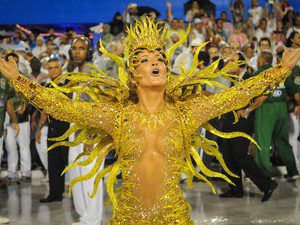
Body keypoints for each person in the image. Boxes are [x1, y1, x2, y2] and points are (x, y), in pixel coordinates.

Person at [0, 17, 299, 224]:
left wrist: (280, 71)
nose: (156, 61)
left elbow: (236, 95)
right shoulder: (117, 116)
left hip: (175, 218)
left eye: (160, 58)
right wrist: (20, 82)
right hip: (128, 219)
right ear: (133, 75)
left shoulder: (185, 114)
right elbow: (64, 107)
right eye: (145, 59)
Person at [218, 53, 277, 202]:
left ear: (240, 63)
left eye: (232, 61)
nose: (228, 63)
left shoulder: (249, 79)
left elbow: (264, 95)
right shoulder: (233, 81)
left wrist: (248, 110)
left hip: (243, 121)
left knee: (240, 155)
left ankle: (267, 184)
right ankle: (236, 189)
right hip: (230, 120)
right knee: (228, 154)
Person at [68, 36, 104, 225]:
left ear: (88, 52)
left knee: (90, 178)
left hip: (90, 133)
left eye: (81, 48)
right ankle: (84, 217)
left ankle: (94, 219)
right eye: (74, 48)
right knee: (76, 176)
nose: (77, 51)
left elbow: (95, 106)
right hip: (75, 131)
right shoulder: (74, 71)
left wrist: (90, 137)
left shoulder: (92, 72)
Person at [250, 51, 298, 180]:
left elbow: (254, 95)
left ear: (261, 60)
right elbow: (294, 91)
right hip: (281, 107)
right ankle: (293, 171)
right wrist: (297, 104)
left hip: (266, 107)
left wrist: (249, 109)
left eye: (258, 59)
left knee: (262, 142)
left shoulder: (259, 73)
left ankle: (264, 174)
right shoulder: (280, 72)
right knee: (282, 140)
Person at [37, 58, 70, 203]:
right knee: (54, 163)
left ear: (61, 68)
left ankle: (78, 195)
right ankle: (55, 194)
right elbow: (44, 110)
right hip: (52, 128)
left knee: (70, 163)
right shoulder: (46, 87)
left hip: (68, 129)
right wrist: (39, 129)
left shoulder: (69, 85)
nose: (53, 71)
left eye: (55, 67)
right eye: (50, 68)